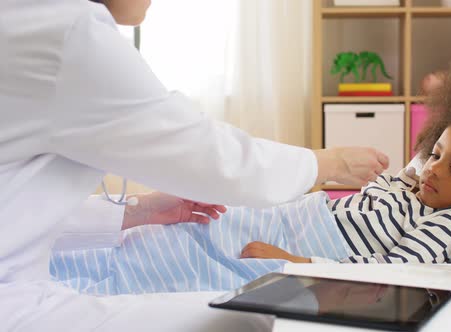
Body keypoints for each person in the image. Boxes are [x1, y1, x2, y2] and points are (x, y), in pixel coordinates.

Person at [0, 0, 388, 330]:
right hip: (14, 299)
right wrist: (326, 163)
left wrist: (138, 212)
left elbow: (14, 205)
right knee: (251, 320)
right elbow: (212, 157)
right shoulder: (70, 35)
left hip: (18, 281)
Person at [52, 78, 451, 296]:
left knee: (178, 257)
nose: (433, 170)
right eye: (436, 154)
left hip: (308, 248)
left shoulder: (445, 221)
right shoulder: (409, 186)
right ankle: (60, 261)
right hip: (293, 216)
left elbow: (392, 275)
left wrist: (293, 262)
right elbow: (347, 199)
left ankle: (75, 278)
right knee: (176, 228)